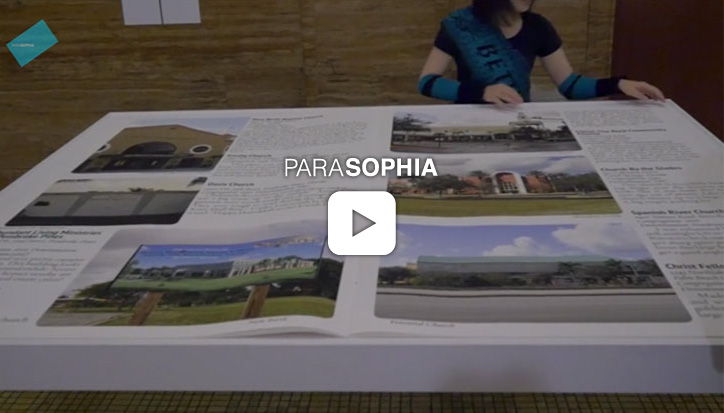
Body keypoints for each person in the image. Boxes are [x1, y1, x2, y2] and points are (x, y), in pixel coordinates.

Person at [418, 0, 665, 105]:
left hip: (519, 116)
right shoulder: (461, 25)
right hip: (468, 117)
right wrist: (482, 92)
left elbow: (569, 85)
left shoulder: (538, 27)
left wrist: (617, 84)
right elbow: (427, 83)